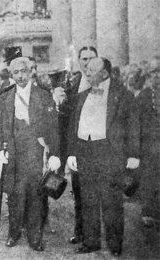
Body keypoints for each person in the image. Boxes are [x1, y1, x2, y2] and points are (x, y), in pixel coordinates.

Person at [66, 57, 140, 256]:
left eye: (91, 69)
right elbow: (74, 127)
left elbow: (133, 126)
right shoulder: (81, 96)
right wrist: (72, 153)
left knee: (111, 201)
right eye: (87, 69)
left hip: (110, 153)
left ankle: (115, 244)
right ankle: (91, 242)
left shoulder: (123, 96)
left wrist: (133, 154)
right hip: (85, 152)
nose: (87, 72)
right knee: (88, 199)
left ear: (105, 73)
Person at [0, 57, 60, 252]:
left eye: (23, 71)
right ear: (11, 75)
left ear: (31, 71)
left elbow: (53, 127)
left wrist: (54, 153)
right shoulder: (5, 97)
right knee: (14, 195)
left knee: (36, 195)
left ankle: (35, 236)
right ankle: (13, 233)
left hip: (35, 152)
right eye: (16, 72)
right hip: (13, 152)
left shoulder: (43, 95)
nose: (20, 76)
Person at [52, 46, 98, 245]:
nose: (87, 63)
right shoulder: (74, 82)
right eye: (84, 59)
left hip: (99, 146)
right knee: (79, 192)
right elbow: (66, 119)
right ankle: (81, 232)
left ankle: (93, 236)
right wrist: (60, 103)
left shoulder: (105, 81)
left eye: (91, 59)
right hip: (78, 147)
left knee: (96, 194)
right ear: (79, 61)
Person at [137, 60, 160, 227]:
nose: (157, 76)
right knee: (149, 177)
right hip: (149, 144)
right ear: (149, 76)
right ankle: (148, 211)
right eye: (154, 73)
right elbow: (136, 122)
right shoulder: (144, 96)